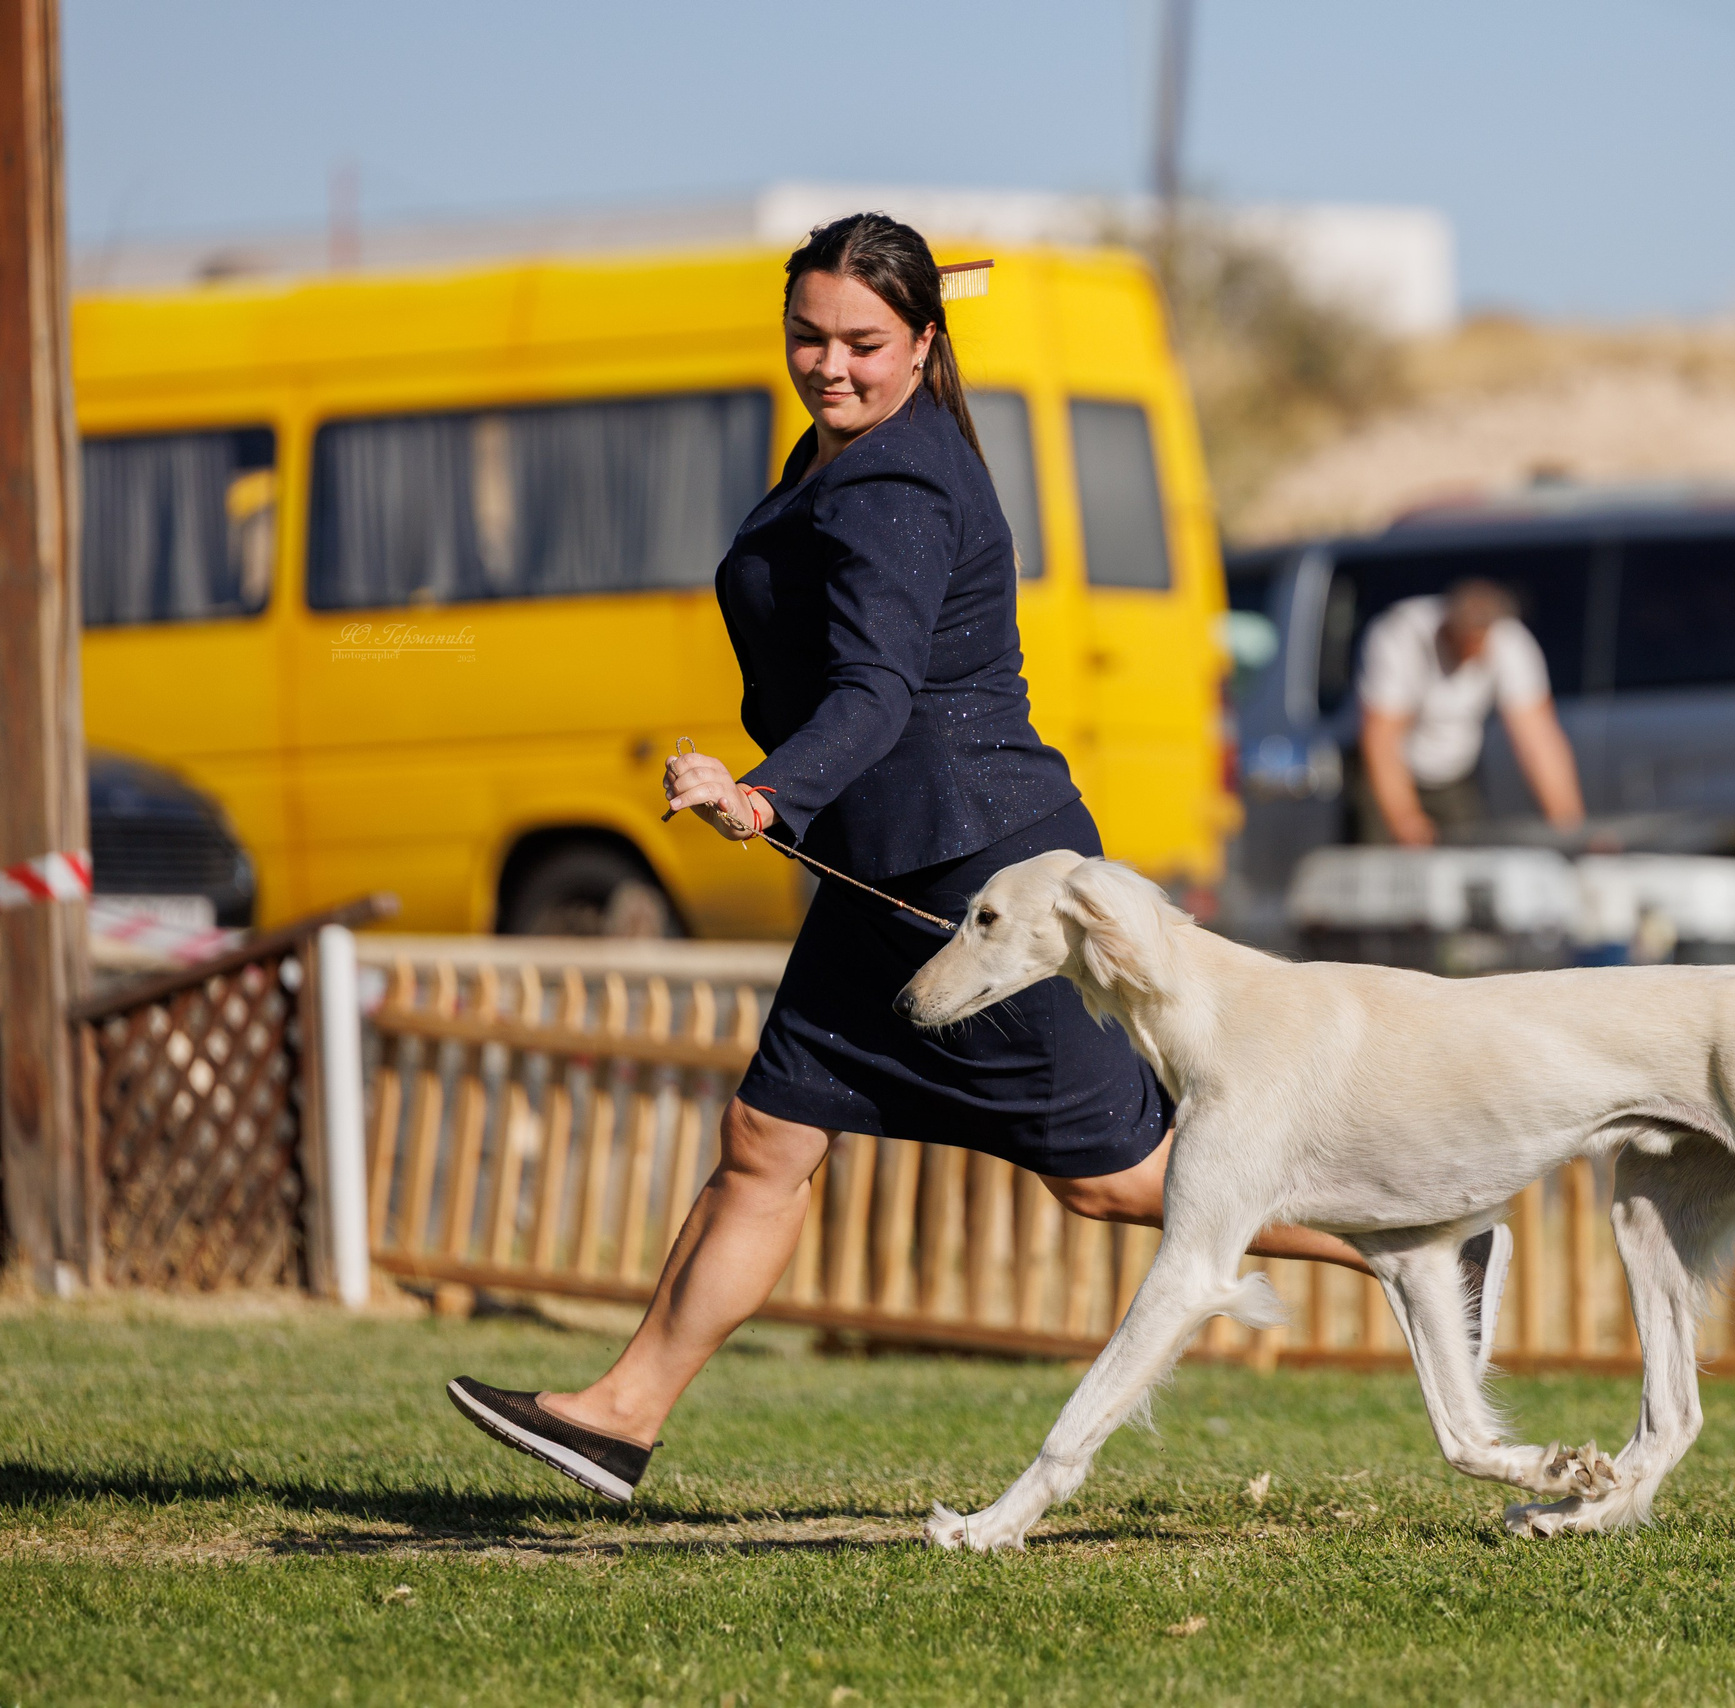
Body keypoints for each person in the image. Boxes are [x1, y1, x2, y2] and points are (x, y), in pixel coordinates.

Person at [445, 214, 1371, 1504]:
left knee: (1113, 1178)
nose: (831, 365)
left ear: (924, 342)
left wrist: (765, 797)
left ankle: (1411, 1236)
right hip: (885, 874)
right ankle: (618, 1415)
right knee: (768, 1135)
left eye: (864, 344)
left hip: (972, 885)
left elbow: (875, 693)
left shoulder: (895, 482)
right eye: (808, 338)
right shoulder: (853, 448)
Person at [1352, 579, 1585, 846]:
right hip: (1387, 776)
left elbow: (1539, 740)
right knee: (1386, 867)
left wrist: (1571, 828)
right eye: (1465, 640)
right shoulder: (1399, 636)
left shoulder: (1510, 643)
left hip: (1455, 776)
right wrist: (1405, 819)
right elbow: (1382, 739)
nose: (1473, 651)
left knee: (1469, 858)